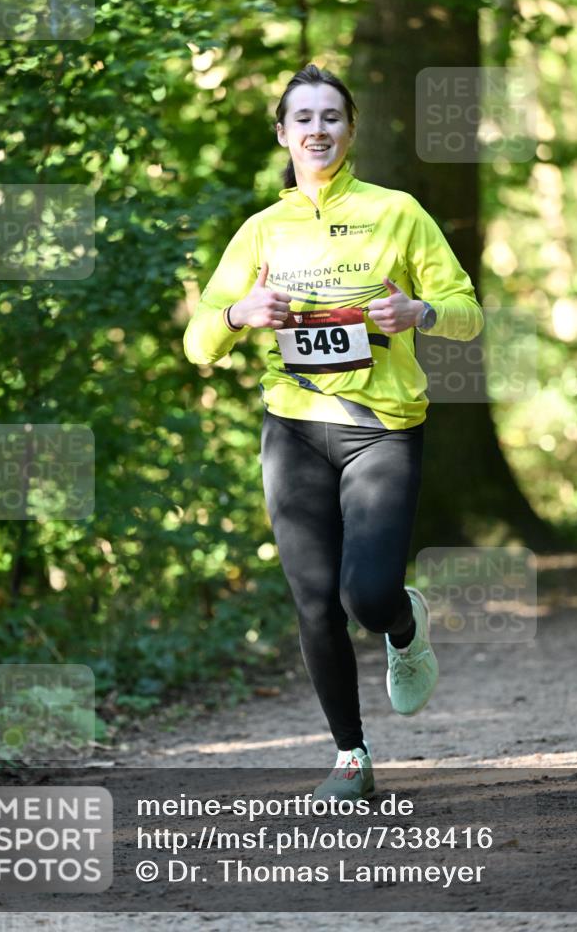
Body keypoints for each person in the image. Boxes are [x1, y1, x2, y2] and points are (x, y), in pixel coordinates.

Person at [183, 63, 484, 802]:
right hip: (293, 430)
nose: (317, 130)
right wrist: (236, 316)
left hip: (380, 429)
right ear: (282, 133)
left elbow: (467, 311)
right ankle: (351, 755)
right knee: (313, 602)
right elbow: (198, 342)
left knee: (365, 596)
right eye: (303, 118)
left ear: (349, 130)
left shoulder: (397, 212)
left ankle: (400, 622)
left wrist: (420, 314)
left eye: (330, 117)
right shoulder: (261, 231)